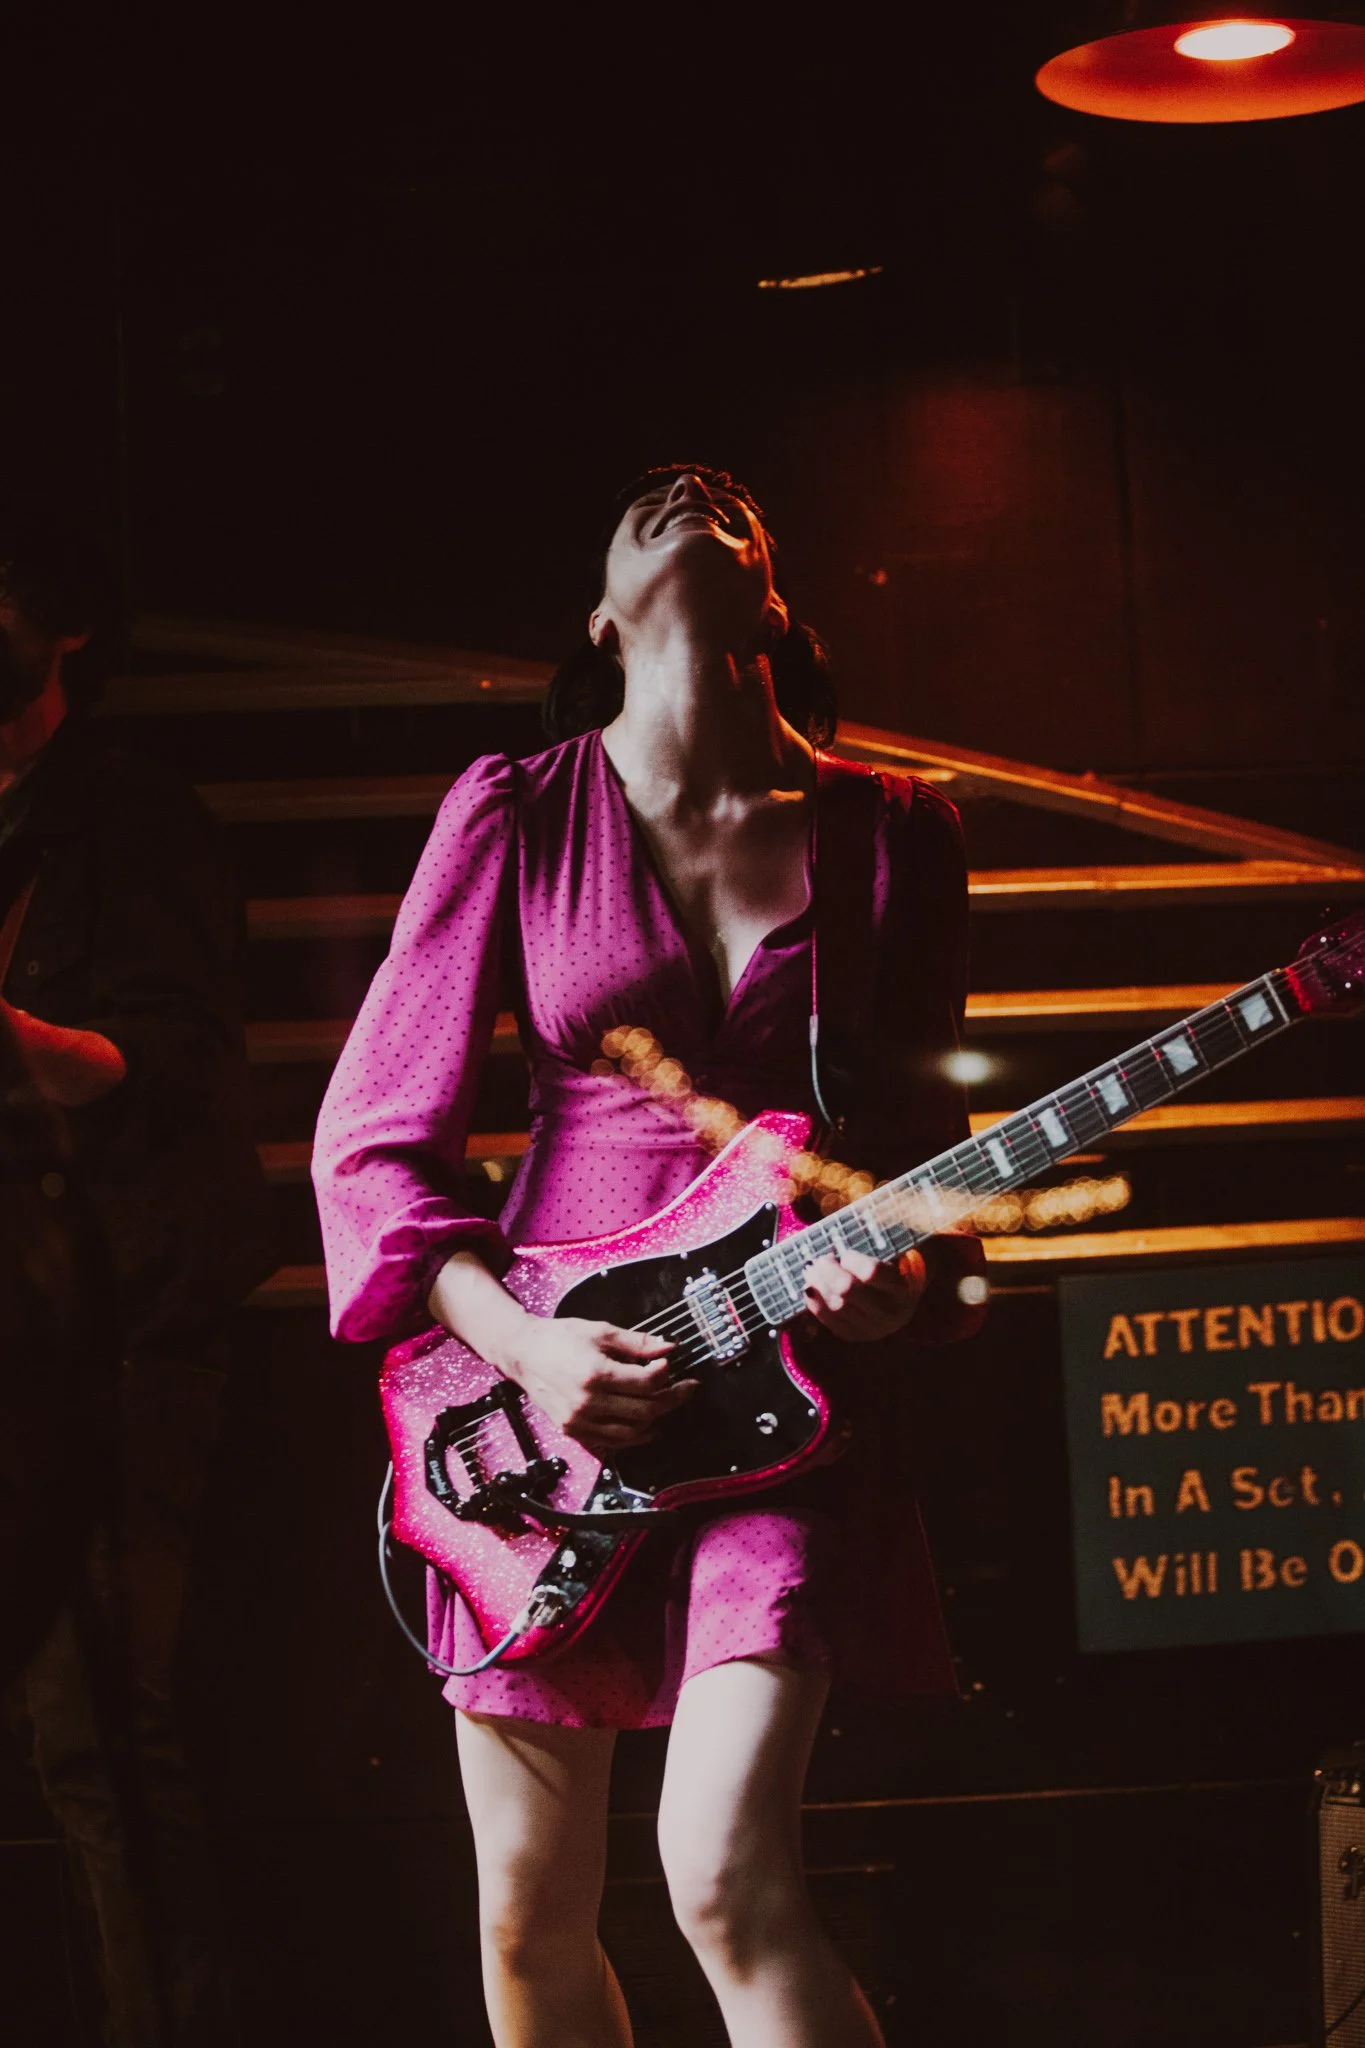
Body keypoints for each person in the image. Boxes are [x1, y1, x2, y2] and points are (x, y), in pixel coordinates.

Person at [313, 464, 988, 2047]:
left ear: (779, 599)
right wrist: (532, 1351)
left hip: (786, 1407)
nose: (692, 489)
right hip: (549, 1404)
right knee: (529, 1909)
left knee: (723, 1874)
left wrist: (894, 1289)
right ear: (603, 619)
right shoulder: (517, 808)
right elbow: (373, 1144)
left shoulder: (895, 833)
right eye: (647, 498)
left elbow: (913, 1169)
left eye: (727, 493)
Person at [0, 523, 274, 2048]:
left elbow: (153, 1069)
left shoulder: (132, 821)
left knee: (97, 1728)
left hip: (106, 1332)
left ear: (64, 634)